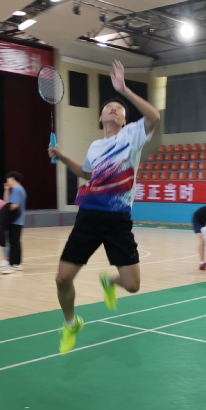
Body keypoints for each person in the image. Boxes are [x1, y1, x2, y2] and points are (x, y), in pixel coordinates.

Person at [49, 60, 160, 354]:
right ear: (100, 118)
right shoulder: (95, 148)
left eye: (119, 109)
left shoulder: (132, 135)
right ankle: (71, 323)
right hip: (88, 217)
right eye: (109, 107)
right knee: (62, 278)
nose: (113, 109)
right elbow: (86, 174)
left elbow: (154, 116)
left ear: (124, 120)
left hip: (117, 219)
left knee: (132, 285)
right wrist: (62, 156)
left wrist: (123, 89)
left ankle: (109, 281)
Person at [0, 172, 27, 274]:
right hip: (17, 220)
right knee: (14, 242)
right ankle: (17, 264)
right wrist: (6, 190)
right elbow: (7, 202)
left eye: (8, 180)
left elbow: (14, 205)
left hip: (15, 220)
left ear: (13, 179)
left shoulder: (17, 190)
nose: (7, 182)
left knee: (14, 243)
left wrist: (4, 211)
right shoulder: (17, 189)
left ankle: (14, 264)